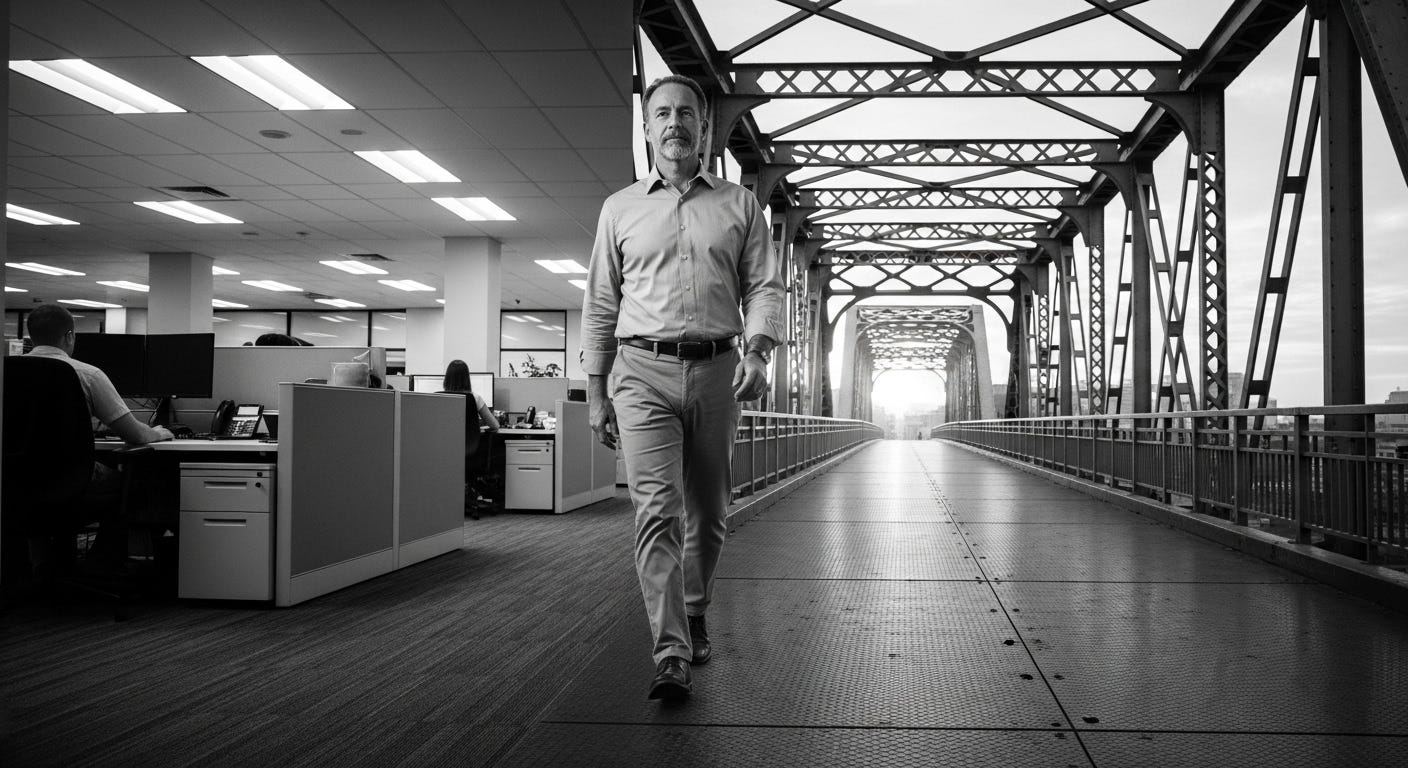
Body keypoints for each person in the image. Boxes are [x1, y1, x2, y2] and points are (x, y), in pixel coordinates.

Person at [581, 74, 783, 700]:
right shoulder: (619, 209)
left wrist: (759, 350)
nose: (675, 123)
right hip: (641, 371)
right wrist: (596, 390)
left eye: (687, 113)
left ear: (704, 126)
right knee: (657, 511)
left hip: (719, 370)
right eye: (662, 113)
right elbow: (601, 302)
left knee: (710, 512)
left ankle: (695, 610)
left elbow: (765, 286)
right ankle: (669, 651)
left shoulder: (740, 205)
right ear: (647, 129)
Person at [23, 304, 173, 569]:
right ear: (69, 336)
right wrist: (158, 433)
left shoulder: (7, 372)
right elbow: (134, 434)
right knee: (135, 485)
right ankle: (100, 566)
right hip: (72, 476)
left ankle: (39, 569)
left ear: (30, 336)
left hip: (16, 477)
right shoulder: (87, 374)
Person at [442, 359, 500, 431]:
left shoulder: (438, 398)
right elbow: (495, 425)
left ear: (447, 378)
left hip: (443, 437)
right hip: (469, 438)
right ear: (466, 379)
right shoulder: (475, 398)